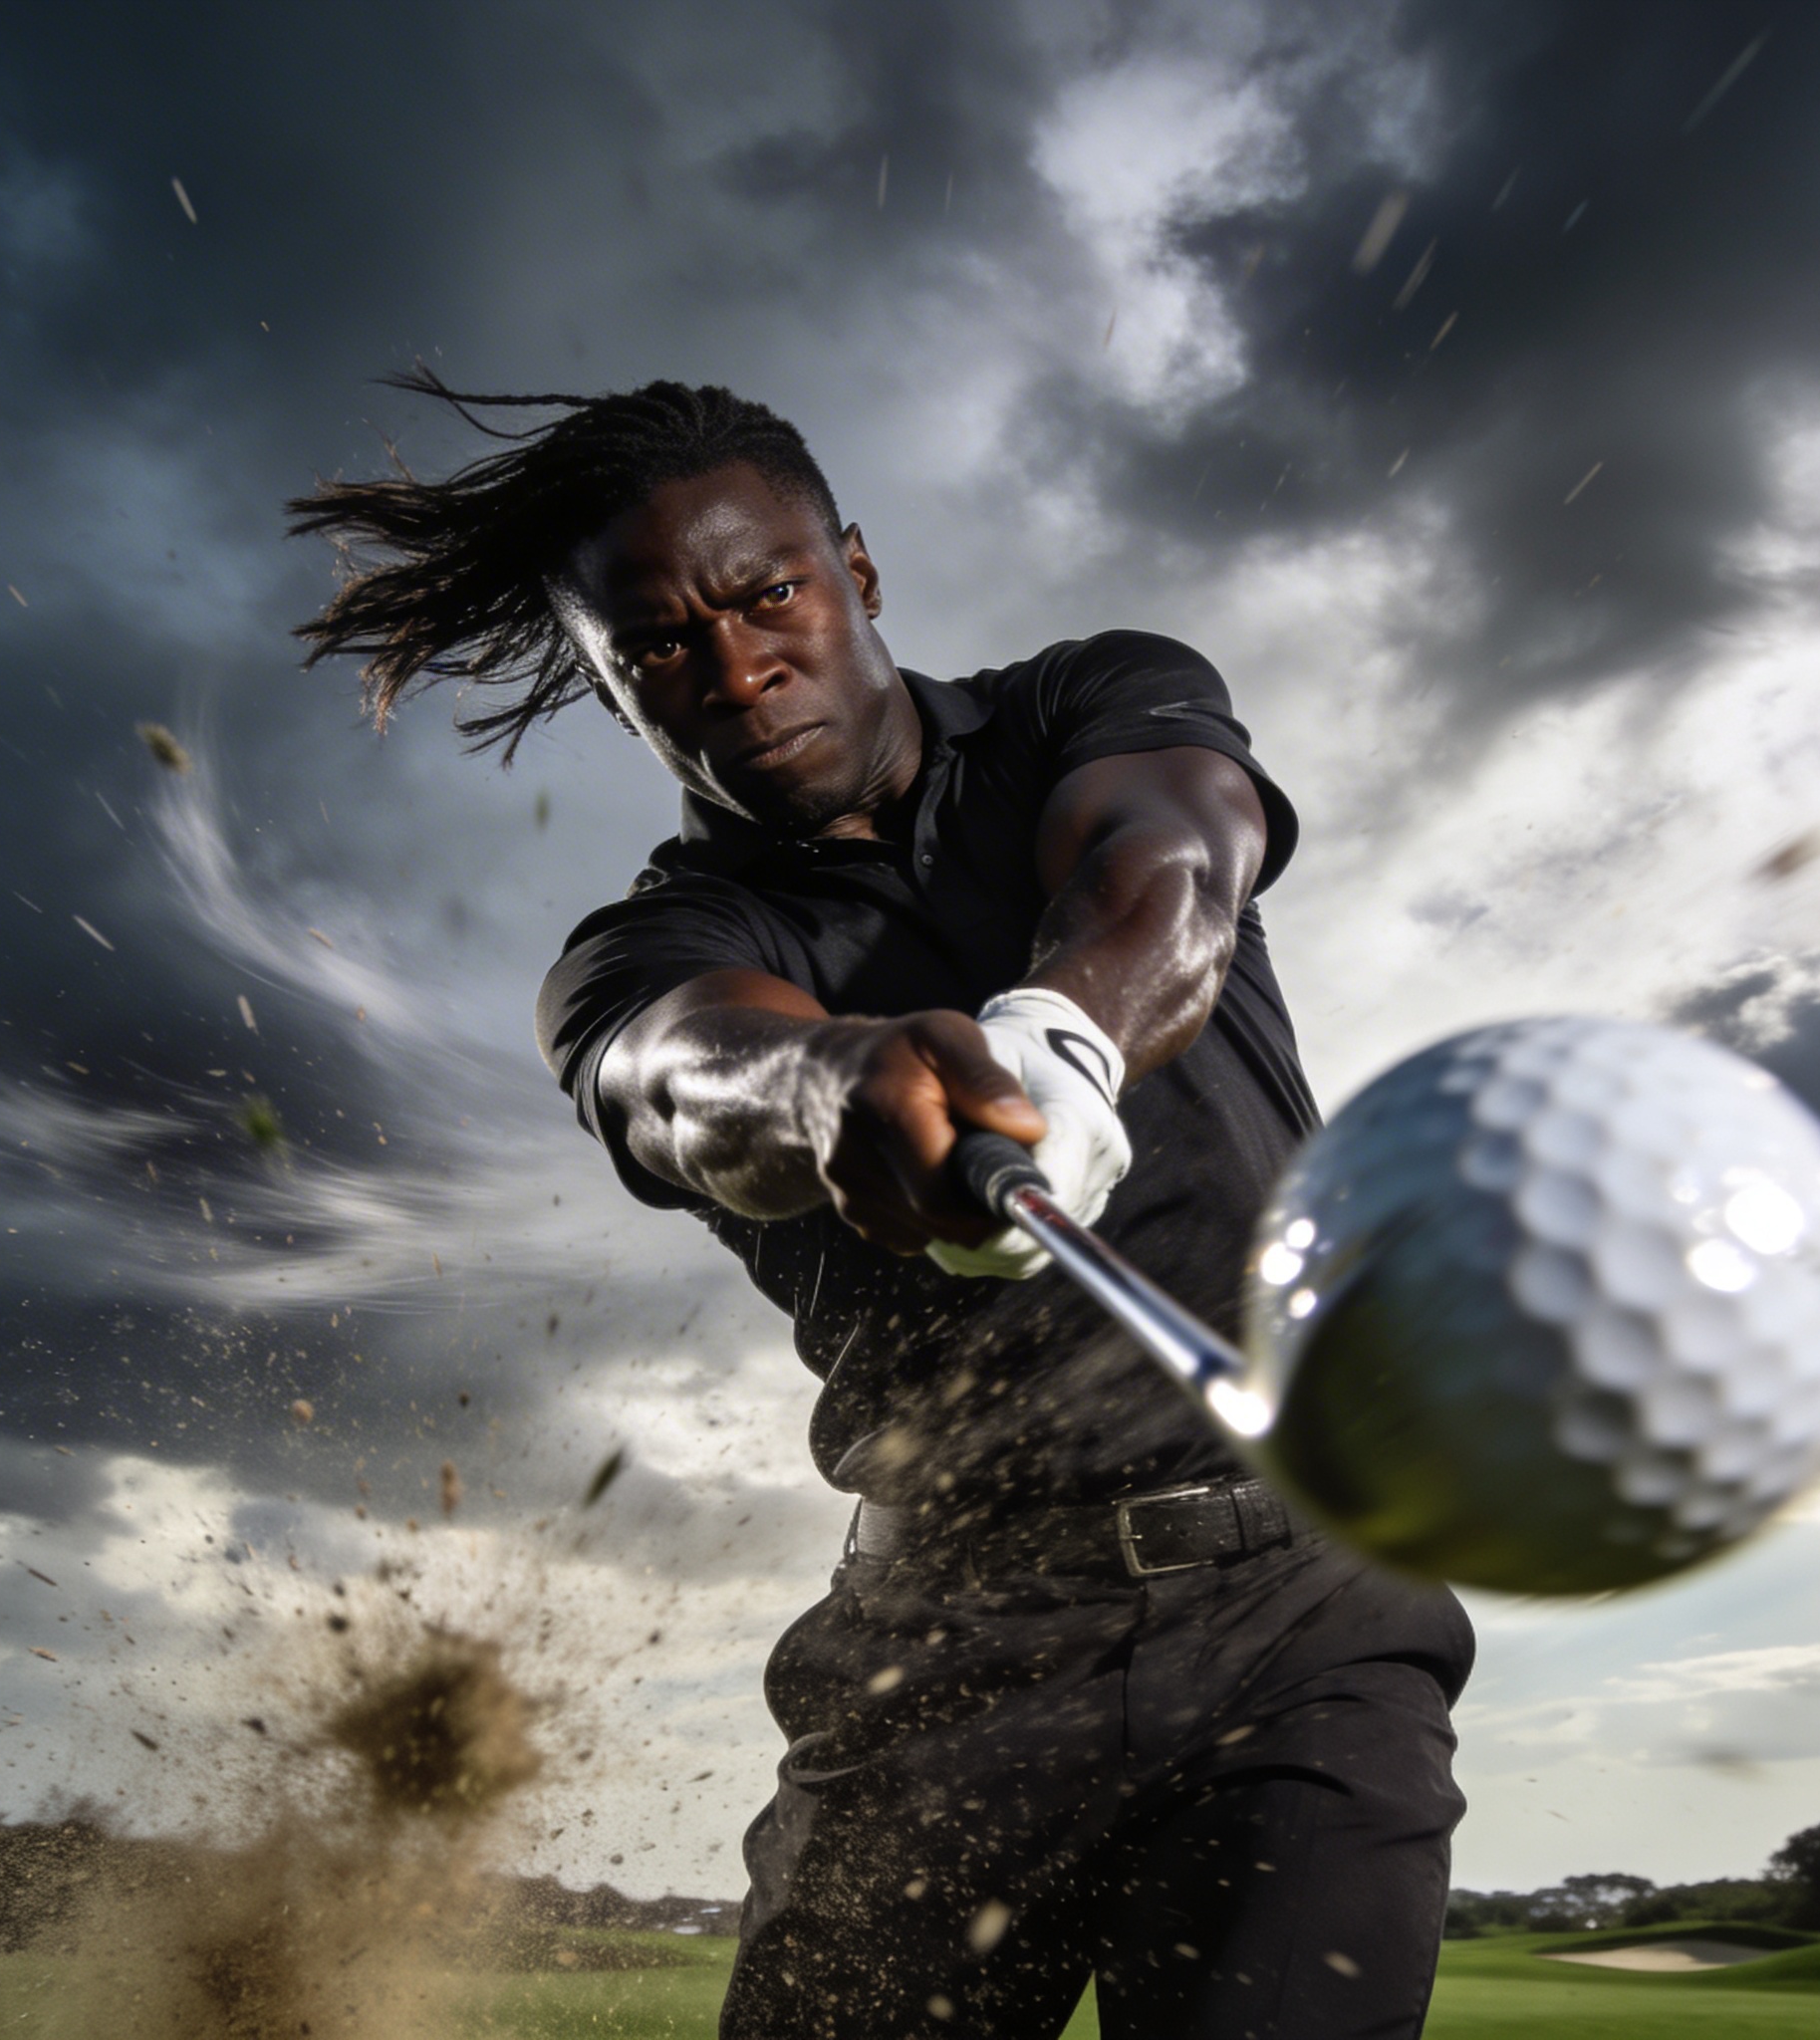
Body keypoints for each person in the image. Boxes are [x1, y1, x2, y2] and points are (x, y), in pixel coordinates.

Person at [291, 372, 1474, 2040]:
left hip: (1305, 1606)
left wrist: (1061, 1040)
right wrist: (841, 1092)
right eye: (657, 646)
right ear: (607, 678)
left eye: (768, 593)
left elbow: (1173, 872)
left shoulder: (1093, 702)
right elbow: (690, 1078)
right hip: (950, 1653)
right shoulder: (638, 952)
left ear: (853, 565)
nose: (735, 665)